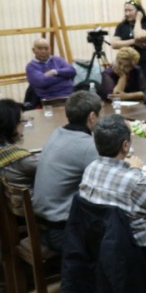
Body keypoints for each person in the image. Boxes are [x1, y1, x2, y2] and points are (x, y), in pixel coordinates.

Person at [79, 114, 146, 267]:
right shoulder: (133, 181)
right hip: (140, 251)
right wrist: (136, 171)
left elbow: (140, 188)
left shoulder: (90, 169)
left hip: (103, 246)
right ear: (125, 145)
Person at [33, 91, 102, 252]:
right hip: (63, 232)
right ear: (92, 117)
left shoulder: (56, 133)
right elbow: (106, 180)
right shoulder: (87, 145)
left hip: (41, 223)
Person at [0, 99, 40, 214]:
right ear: (12, 125)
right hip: (29, 213)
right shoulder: (21, 160)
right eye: (22, 121)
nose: (23, 125)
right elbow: (52, 168)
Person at [111, 0, 146, 78]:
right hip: (124, 66)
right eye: (125, 11)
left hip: (142, 65)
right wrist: (134, 42)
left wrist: (138, 20)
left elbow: (138, 36)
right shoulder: (121, 26)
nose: (127, 13)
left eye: (130, 10)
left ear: (138, 12)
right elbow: (114, 44)